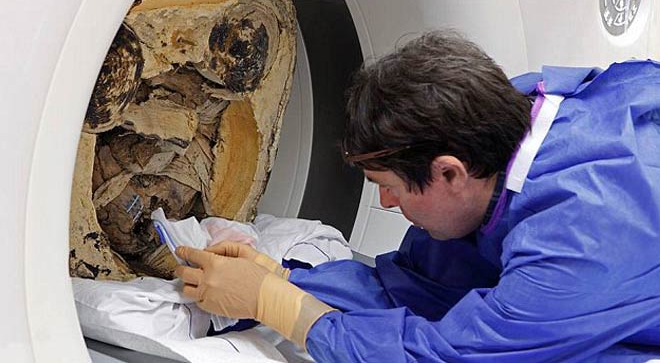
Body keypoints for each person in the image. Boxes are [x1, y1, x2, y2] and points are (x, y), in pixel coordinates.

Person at [174, 30, 660, 361]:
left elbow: (445, 354)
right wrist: (283, 279)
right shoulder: (501, 121)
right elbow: (426, 283)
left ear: (448, 173)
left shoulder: (578, 245)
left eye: (389, 188)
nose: (386, 205)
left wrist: (275, 307)